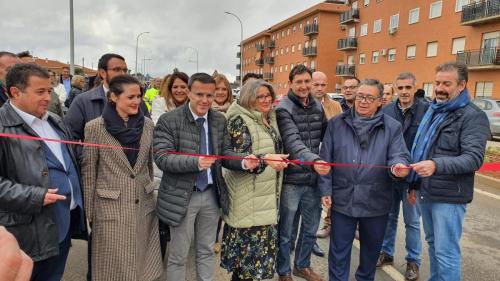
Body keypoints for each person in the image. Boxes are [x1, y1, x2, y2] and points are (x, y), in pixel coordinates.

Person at [153, 72, 259, 281]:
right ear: (188, 93)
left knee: (206, 251)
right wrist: (195, 162)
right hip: (181, 196)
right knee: (178, 255)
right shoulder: (168, 120)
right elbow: (162, 157)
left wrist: (245, 161)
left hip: (211, 195)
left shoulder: (219, 120)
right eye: (199, 94)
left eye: (209, 95)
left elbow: (226, 154)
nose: (204, 100)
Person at [0, 63, 86, 281]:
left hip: (62, 225)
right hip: (26, 232)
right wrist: (35, 196)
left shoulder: (54, 121)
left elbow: (69, 160)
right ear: (15, 92)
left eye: (49, 90)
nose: (48, 97)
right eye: (40, 92)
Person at [319, 78, 411, 281]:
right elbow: (325, 159)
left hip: (376, 200)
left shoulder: (392, 127)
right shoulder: (336, 124)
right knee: (339, 252)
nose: (363, 101)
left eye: (370, 98)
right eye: (360, 96)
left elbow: (399, 154)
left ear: (380, 101)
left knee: (371, 252)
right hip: (343, 198)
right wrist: (325, 189)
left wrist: (398, 167)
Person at [408, 62, 490, 281]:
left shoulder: (473, 116)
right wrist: (414, 184)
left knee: (446, 253)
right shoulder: (434, 109)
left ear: (461, 85)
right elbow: (421, 148)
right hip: (427, 190)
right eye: (436, 83)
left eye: (446, 83)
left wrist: (436, 165)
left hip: (450, 197)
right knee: (434, 246)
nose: (439, 88)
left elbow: (473, 159)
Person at [81, 75, 163, 281]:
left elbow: (147, 166)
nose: (137, 101)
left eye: (139, 96)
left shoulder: (147, 125)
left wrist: (149, 189)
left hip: (142, 204)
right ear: (114, 97)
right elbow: (90, 172)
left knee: (142, 264)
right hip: (109, 207)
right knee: (112, 265)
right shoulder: (94, 128)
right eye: (130, 97)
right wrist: (89, 212)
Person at [221, 79, 289, 281]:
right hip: (248, 202)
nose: (265, 100)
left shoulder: (268, 118)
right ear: (248, 98)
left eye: (268, 95)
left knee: (254, 268)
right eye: (260, 96)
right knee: (246, 268)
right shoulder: (239, 121)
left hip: (264, 200)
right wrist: (266, 161)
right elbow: (238, 159)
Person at [275, 65, 330, 281]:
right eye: (299, 82)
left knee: (310, 228)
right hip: (292, 180)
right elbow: (293, 142)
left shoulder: (317, 106)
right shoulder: (284, 109)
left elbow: (328, 136)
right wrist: (315, 161)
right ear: (290, 84)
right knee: (286, 231)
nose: (304, 86)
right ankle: (283, 271)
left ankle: (302, 266)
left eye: (307, 81)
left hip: (313, 179)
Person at [378, 72, 429, 281]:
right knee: (388, 218)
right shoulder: (387, 110)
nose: (404, 92)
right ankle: (386, 252)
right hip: (391, 175)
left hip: (413, 178)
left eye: (408, 88)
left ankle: (413, 262)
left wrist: (417, 181)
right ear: (396, 89)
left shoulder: (426, 110)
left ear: (415, 88)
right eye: (400, 88)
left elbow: (427, 145)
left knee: (412, 222)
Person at [65, 53, 149, 142]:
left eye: (125, 70)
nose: (123, 74)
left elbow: (148, 134)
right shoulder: (83, 102)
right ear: (102, 73)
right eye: (117, 70)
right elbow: (69, 138)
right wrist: (88, 154)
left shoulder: (138, 102)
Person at [311, 71, 343, 247]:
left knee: (328, 195)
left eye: (323, 85)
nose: (320, 88)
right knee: (311, 202)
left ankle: (328, 225)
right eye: (316, 84)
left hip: (329, 158)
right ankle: (309, 238)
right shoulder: (303, 104)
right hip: (310, 158)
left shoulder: (335, 106)